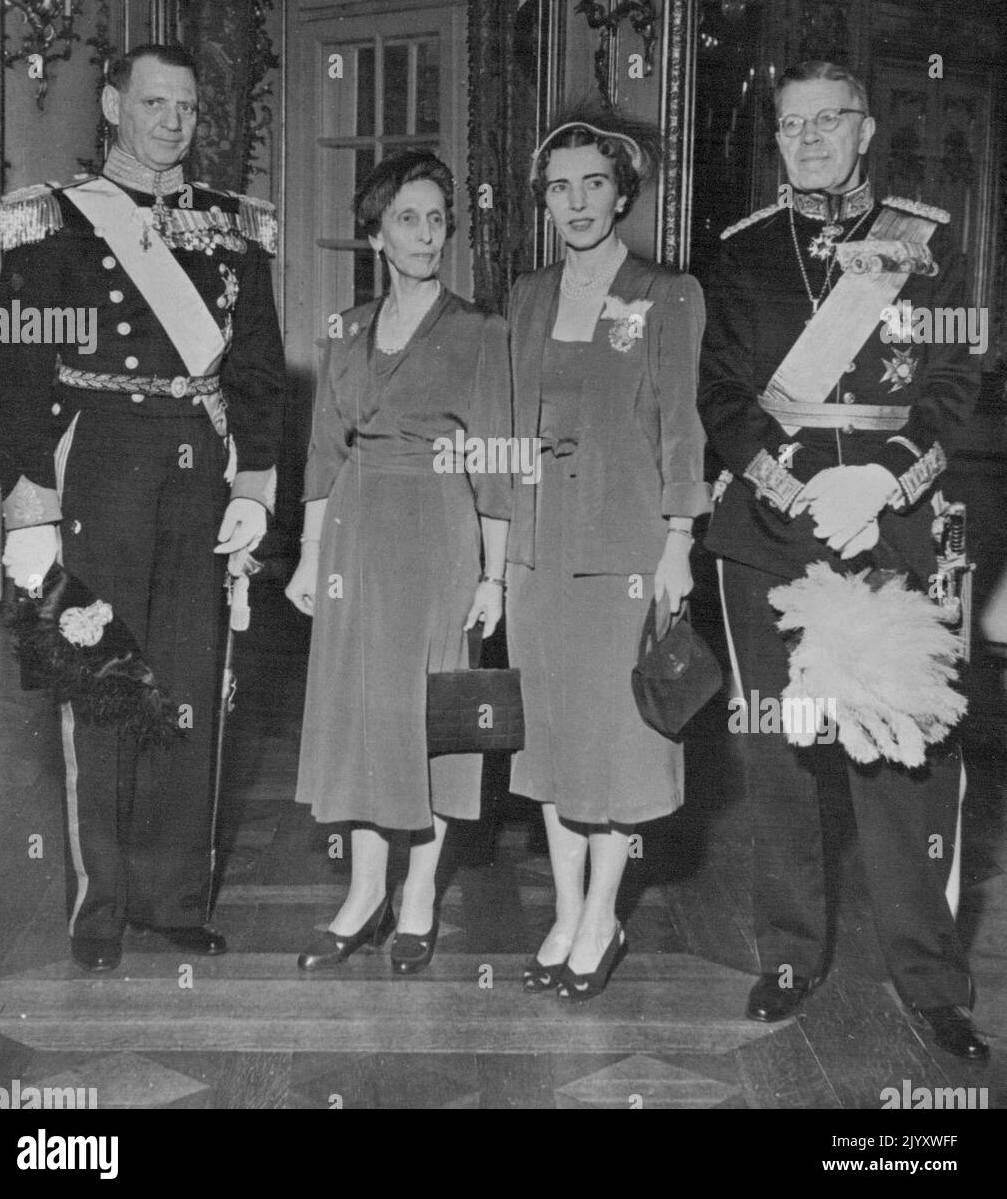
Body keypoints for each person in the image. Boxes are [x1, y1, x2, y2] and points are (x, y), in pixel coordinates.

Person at [698, 59, 987, 1060]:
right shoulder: (737, 253)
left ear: (865, 129)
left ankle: (929, 981)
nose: (811, 137)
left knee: (902, 761)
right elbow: (723, 397)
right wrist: (799, 488)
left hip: (895, 527)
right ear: (774, 138)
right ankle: (786, 953)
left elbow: (954, 382)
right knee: (777, 755)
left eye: (830, 119)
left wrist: (880, 482)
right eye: (791, 124)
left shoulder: (929, 242)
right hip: (770, 534)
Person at [0, 43, 285, 972]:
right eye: (153, 102)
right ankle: (101, 905)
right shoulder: (52, 222)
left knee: (192, 682)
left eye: (187, 107)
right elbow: (16, 367)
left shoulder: (235, 229)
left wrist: (256, 483)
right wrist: (29, 500)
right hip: (99, 459)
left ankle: (172, 896)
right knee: (103, 674)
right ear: (113, 104)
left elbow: (260, 371)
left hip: (197, 465)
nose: (171, 121)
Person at [287, 150, 511, 976]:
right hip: (352, 530)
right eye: (408, 219)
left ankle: (418, 898)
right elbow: (321, 453)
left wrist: (493, 576)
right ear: (375, 232)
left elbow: (494, 465)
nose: (427, 234)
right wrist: (310, 558)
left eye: (437, 219)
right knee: (360, 711)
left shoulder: (482, 331)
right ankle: (363, 894)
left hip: (439, 530)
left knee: (432, 712)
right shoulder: (346, 329)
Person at [506, 109, 711, 1001]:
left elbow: (683, 429)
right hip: (534, 552)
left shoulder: (667, 294)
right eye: (560, 185)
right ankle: (565, 907)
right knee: (548, 744)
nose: (578, 201)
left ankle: (603, 915)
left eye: (595, 183)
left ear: (623, 194)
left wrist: (677, 542)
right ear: (544, 200)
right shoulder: (525, 295)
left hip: (625, 549)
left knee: (616, 745)